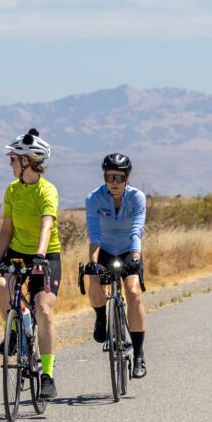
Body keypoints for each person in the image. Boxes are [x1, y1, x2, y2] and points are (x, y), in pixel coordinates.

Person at [0, 128, 62, 400]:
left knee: (43, 310)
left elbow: (47, 225)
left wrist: (40, 256)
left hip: (46, 255)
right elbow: (6, 228)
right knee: (1, 286)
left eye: (13, 159)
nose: (10, 164)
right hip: (17, 252)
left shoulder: (48, 191)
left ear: (26, 161)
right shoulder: (12, 190)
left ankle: (47, 376)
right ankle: (13, 332)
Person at [85, 153, 148, 378]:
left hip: (129, 249)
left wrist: (135, 256)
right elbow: (94, 234)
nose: (114, 183)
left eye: (119, 178)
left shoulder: (137, 197)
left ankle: (139, 354)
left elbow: (137, 229)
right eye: (109, 177)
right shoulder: (94, 198)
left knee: (133, 293)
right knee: (92, 279)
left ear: (127, 178)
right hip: (103, 249)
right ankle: (101, 317)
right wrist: (93, 263)